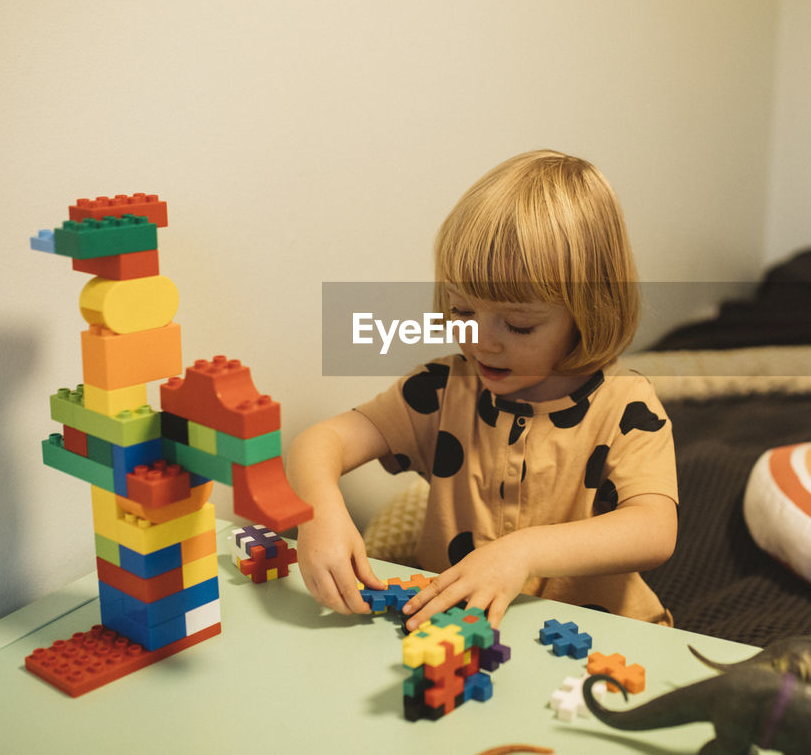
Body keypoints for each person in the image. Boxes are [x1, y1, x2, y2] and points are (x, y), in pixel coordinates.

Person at [287, 150, 678, 632]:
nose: (479, 341)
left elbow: (655, 530)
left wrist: (521, 552)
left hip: (599, 642)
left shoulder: (625, 405)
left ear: (587, 313)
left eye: (517, 325)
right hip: (458, 636)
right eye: (462, 312)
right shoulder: (442, 389)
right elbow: (320, 441)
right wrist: (318, 512)